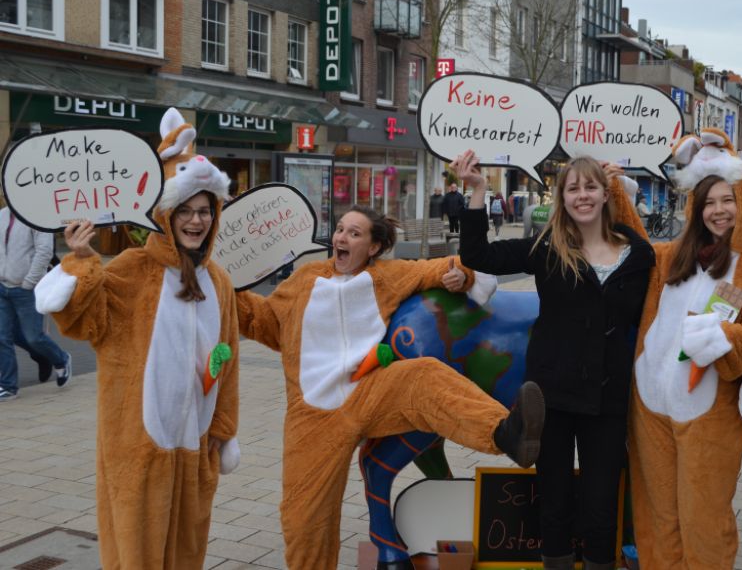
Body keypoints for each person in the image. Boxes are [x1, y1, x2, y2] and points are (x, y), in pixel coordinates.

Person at [236, 204, 544, 569]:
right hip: (313, 414)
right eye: (339, 230)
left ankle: (505, 432)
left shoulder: (389, 275)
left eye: (354, 233)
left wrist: (464, 279)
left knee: (425, 374)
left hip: (370, 392)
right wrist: (224, 290)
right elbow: (262, 320)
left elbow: (451, 265)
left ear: (374, 247)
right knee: (303, 517)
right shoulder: (303, 280)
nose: (341, 238)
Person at [34, 108, 240, 569]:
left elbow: (228, 359)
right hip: (140, 447)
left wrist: (223, 432)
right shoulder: (133, 268)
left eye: (205, 210)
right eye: (184, 210)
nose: (196, 220)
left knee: (187, 555)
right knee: (138, 559)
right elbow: (83, 322)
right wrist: (82, 259)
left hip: (196, 446)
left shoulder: (220, 281)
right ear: (164, 214)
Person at [452, 150, 653, 570]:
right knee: (555, 499)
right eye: (573, 188)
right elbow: (478, 256)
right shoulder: (547, 247)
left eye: (590, 186)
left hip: (608, 398)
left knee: (601, 505)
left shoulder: (637, 255)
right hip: (552, 396)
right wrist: (476, 190)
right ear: (561, 198)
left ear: (605, 193)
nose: (582, 195)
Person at [625, 129, 742, 569]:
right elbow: (629, 246)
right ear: (695, 206)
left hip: (708, 413)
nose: (719, 210)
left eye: (727, 200)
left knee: (704, 518)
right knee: (657, 514)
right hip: (650, 405)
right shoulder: (670, 256)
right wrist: (619, 193)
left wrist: (722, 338)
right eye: (709, 202)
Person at [0, 205, 71, 402]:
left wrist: (29, 282)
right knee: (2, 337)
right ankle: (8, 386)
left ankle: (61, 359)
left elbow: (45, 251)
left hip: (27, 289)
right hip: (2, 287)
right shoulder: (2, 215)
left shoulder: (37, 216)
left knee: (34, 338)